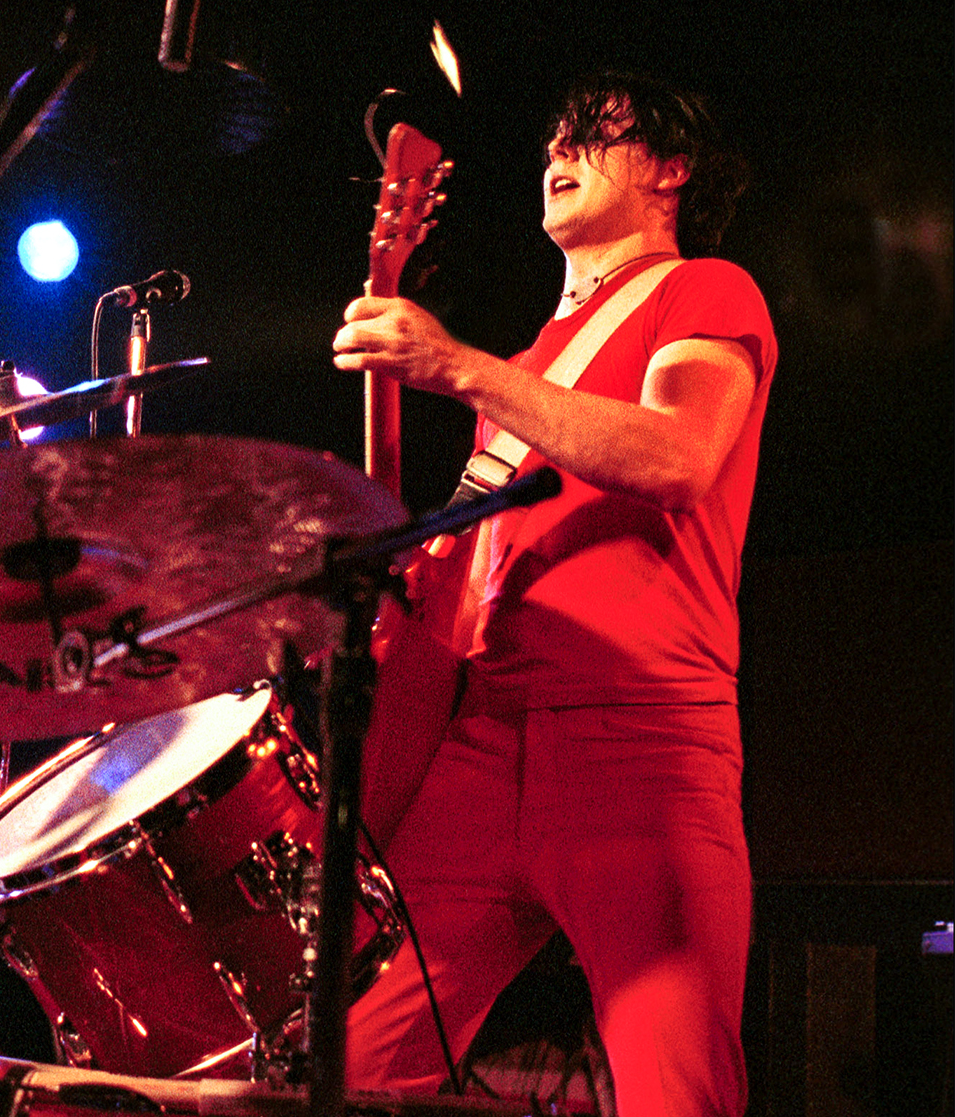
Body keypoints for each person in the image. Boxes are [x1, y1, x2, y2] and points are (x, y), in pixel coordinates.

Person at [328, 72, 775, 1115]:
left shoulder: (702, 290)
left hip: (636, 742)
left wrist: (456, 366)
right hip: (480, 750)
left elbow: (675, 453)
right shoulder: (529, 368)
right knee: (343, 1074)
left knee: (675, 1089)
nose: (556, 153)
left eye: (593, 136)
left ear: (669, 171)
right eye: (549, 140)